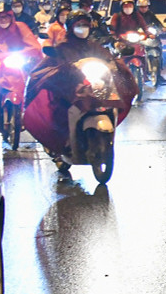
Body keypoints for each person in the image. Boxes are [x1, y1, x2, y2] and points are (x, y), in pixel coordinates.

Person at [30, 11, 117, 175]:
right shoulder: (62, 48)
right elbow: (47, 66)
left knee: (111, 99)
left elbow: (107, 58)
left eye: (85, 25)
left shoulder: (93, 46)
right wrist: (60, 69)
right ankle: (60, 144)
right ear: (71, 28)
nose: (82, 29)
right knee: (59, 110)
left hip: (92, 86)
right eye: (79, 25)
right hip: (69, 88)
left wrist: (113, 64)